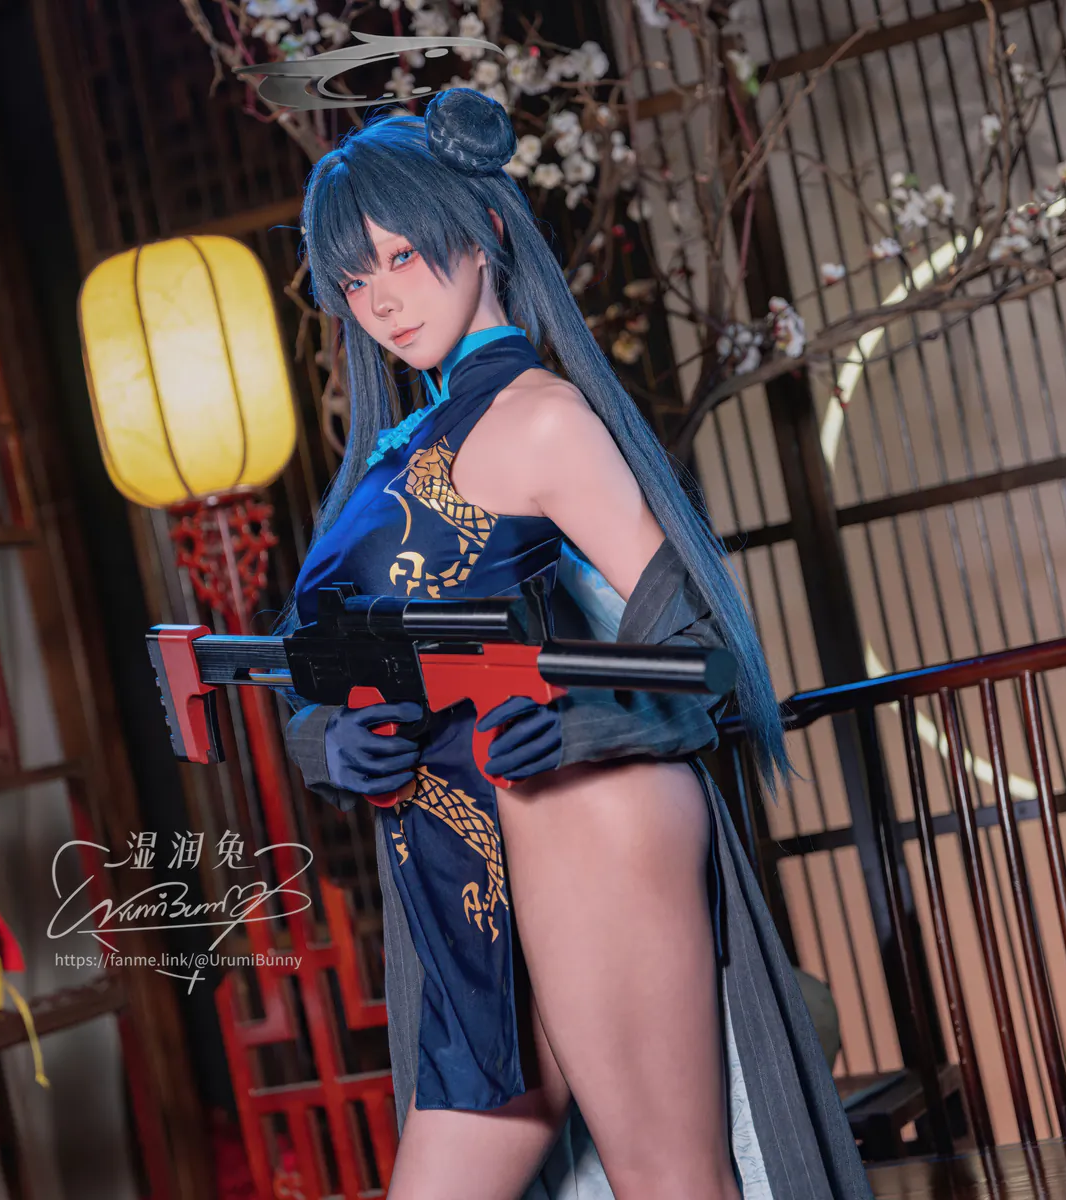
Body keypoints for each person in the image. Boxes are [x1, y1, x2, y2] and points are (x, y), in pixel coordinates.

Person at [270, 88, 870, 1200]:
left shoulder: (541, 419)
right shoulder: (393, 450)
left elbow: (705, 658)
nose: (381, 300)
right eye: (354, 280)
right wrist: (328, 744)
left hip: (575, 814)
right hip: (460, 862)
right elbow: (321, 661)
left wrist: (584, 725)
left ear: (486, 231)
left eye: (402, 257)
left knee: (671, 1183)